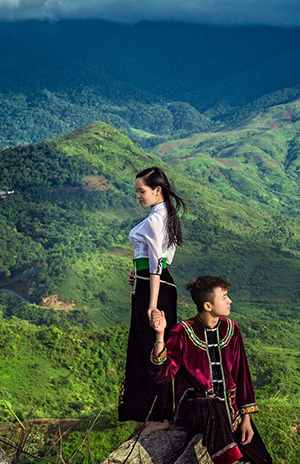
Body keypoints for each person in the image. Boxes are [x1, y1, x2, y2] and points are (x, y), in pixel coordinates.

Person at [149, 276, 272, 464]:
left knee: (262, 459)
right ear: (208, 305)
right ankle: (227, 460)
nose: (229, 301)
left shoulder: (232, 330)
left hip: (230, 412)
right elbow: (163, 373)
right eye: (224, 297)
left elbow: (242, 375)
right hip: (195, 409)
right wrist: (160, 334)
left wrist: (245, 418)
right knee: (213, 405)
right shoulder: (182, 332)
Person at [119, 166, 186, 434]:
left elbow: (158, 262)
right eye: (137, 190)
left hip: (154, 289)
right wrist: (138, 271)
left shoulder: (157, 218)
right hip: (149, 284)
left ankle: (160, 416)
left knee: (153, 351)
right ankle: (147, 413)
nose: (138, 195)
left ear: (157, 190)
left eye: (142, 190)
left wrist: (152, 304)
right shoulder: (162, 214)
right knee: (142, 348)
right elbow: (152, 258)